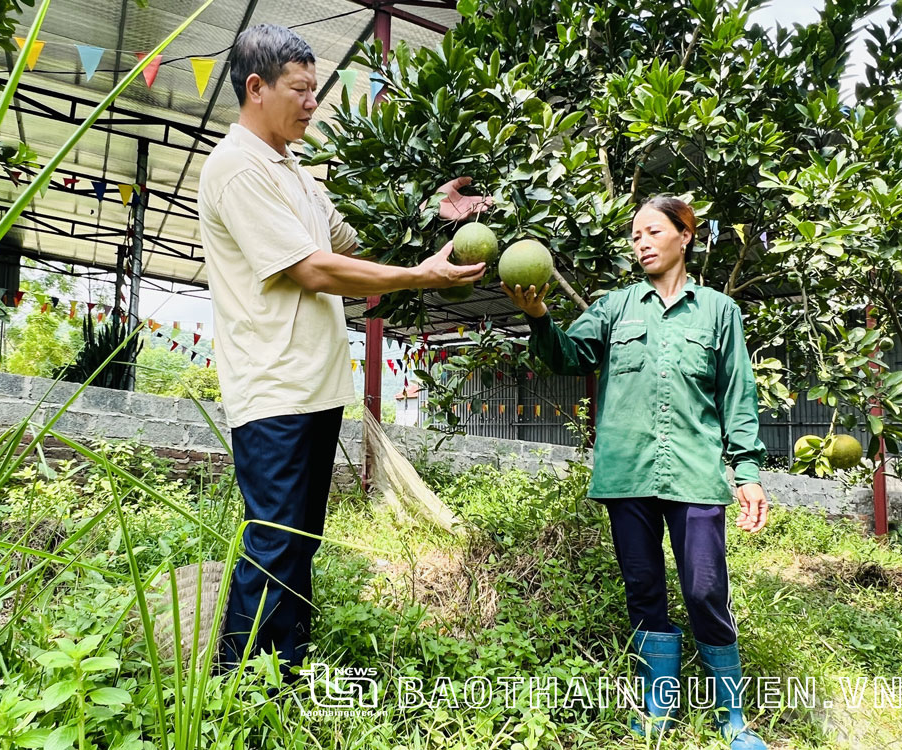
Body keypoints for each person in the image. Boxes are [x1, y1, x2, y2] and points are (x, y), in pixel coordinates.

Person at [197, 24, 488, 679]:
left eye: (314, 90)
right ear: (256, 88)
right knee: (274, 543)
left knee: (299, 542)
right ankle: (242, 689)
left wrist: (433, 215)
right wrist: (422, 276)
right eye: (300, 90)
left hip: (315, 385)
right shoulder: (237, 168)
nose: (312, 103)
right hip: (274, 388)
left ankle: (284, 669)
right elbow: (313, 271)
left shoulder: (292, 171)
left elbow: (347, 247)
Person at [503, 196, 769, 750]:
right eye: (633, 235)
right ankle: (658, 705)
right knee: (644, 589)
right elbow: (568, 357)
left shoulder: (720, 311)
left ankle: (732, 716)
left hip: (694, 472)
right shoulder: (615, 307)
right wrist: (539, 319)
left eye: (652, 231)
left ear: (685, 236)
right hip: (628, 473)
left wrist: (747, 472)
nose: (641, 242)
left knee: (704, 588)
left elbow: (737, 395)